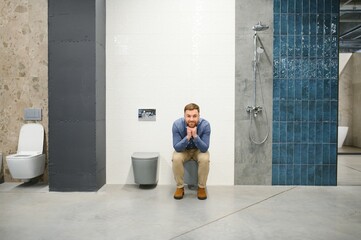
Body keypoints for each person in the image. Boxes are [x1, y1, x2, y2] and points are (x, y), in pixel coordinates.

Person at [172, 103, 211, 200]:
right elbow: (177, 147)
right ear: (184, 116)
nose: (191, 119)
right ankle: (180, 187)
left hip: (198, 150)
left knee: (205, 158)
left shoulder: (205, 125)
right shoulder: (177, 125)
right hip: (184, 150)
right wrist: (188, 137)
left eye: (194, 116)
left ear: (199, 116)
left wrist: (196, 137)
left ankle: (201, 187)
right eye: (188, 116)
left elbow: (204, 148)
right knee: (176, 158)